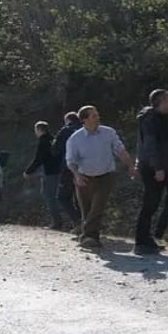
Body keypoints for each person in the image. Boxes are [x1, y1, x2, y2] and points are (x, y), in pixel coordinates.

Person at [65, 105, 137, 249]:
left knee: (97, 207)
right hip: (84, 178)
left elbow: (120, 150)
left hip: (105, 177)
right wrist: (77, 175)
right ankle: (92, 238)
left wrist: (130, 165)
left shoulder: (108, 133)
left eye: (97, 115)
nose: (98, 118)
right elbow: (71, 161)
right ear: (84, 120)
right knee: (87, 211)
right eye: (94, 116)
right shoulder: (75, 139)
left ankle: (87, 236)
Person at [134, 89, 168, 255]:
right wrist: (158, 168)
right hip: (151, 167)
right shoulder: (151, 120)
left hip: (157, 166)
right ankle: (141, 242)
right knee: (150, 203)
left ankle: (146, 238)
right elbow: (150, 145)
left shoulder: (161, 118)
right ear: (162, 102)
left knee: (154, 203)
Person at [23, 121, 65, 229]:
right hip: (58, 171)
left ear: (38, 130)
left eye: (36, 130)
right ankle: (59, 220)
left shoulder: (43, 142)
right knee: (53, 195)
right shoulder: (54, 139)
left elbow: (39, 159)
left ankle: (57, 222)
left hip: (50, 172)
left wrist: (28, 171)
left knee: (49, 196)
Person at [51, 112, 83, 232]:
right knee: (81, 197)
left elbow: (55, 150)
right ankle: (86, 223)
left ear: (68, 120)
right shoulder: (86, 129)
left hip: (69, 168)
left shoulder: (65, 131)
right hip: (87, 168)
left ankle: (77, 221)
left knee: (62, 197)